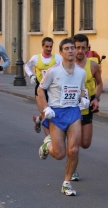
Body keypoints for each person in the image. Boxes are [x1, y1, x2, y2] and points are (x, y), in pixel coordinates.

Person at [37, 38, 88, 196]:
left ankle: (66, 183)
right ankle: (48, 146)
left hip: (73, 112)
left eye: (72, 48)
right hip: (57, 113)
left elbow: (82, 90)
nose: (71, 51)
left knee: (73, 149)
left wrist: (83, 98)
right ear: (60, 53)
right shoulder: (53, 71)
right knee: (59, 154)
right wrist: (46, 108)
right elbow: (40, 90)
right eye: (67, 48)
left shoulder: (81, 72)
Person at [71, 34, 103, 181]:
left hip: (87, 104)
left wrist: (96, 98)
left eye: (83, 47)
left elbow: (100, 83)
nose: (80, 51)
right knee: (74, 143)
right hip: (71, 105)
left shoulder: (93, 65)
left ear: (87, 48)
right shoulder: (67, 64)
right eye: (77, 47)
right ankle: (73, 169)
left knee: (85, 143)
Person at [24, 37, 62, 135]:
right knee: (45, 113)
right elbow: (27, 66)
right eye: (46, 46)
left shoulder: (57, 58)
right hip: (40, 89)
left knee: (51, 114)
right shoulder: (36, 58)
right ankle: (49, 139)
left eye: (50, 47)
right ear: (42, 46)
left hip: (53, 89)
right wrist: (31, 75)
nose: (49, 49)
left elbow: (63, 69)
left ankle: (38, 120)